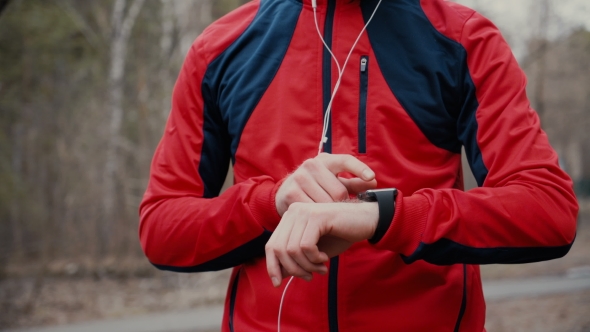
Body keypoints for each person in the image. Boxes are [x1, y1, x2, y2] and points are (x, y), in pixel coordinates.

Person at [139, 0, 579, 330]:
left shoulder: (463, 38)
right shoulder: (220, 49)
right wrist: (270, 203)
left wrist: (381, 215)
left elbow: (548, 210)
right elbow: (161, 226)